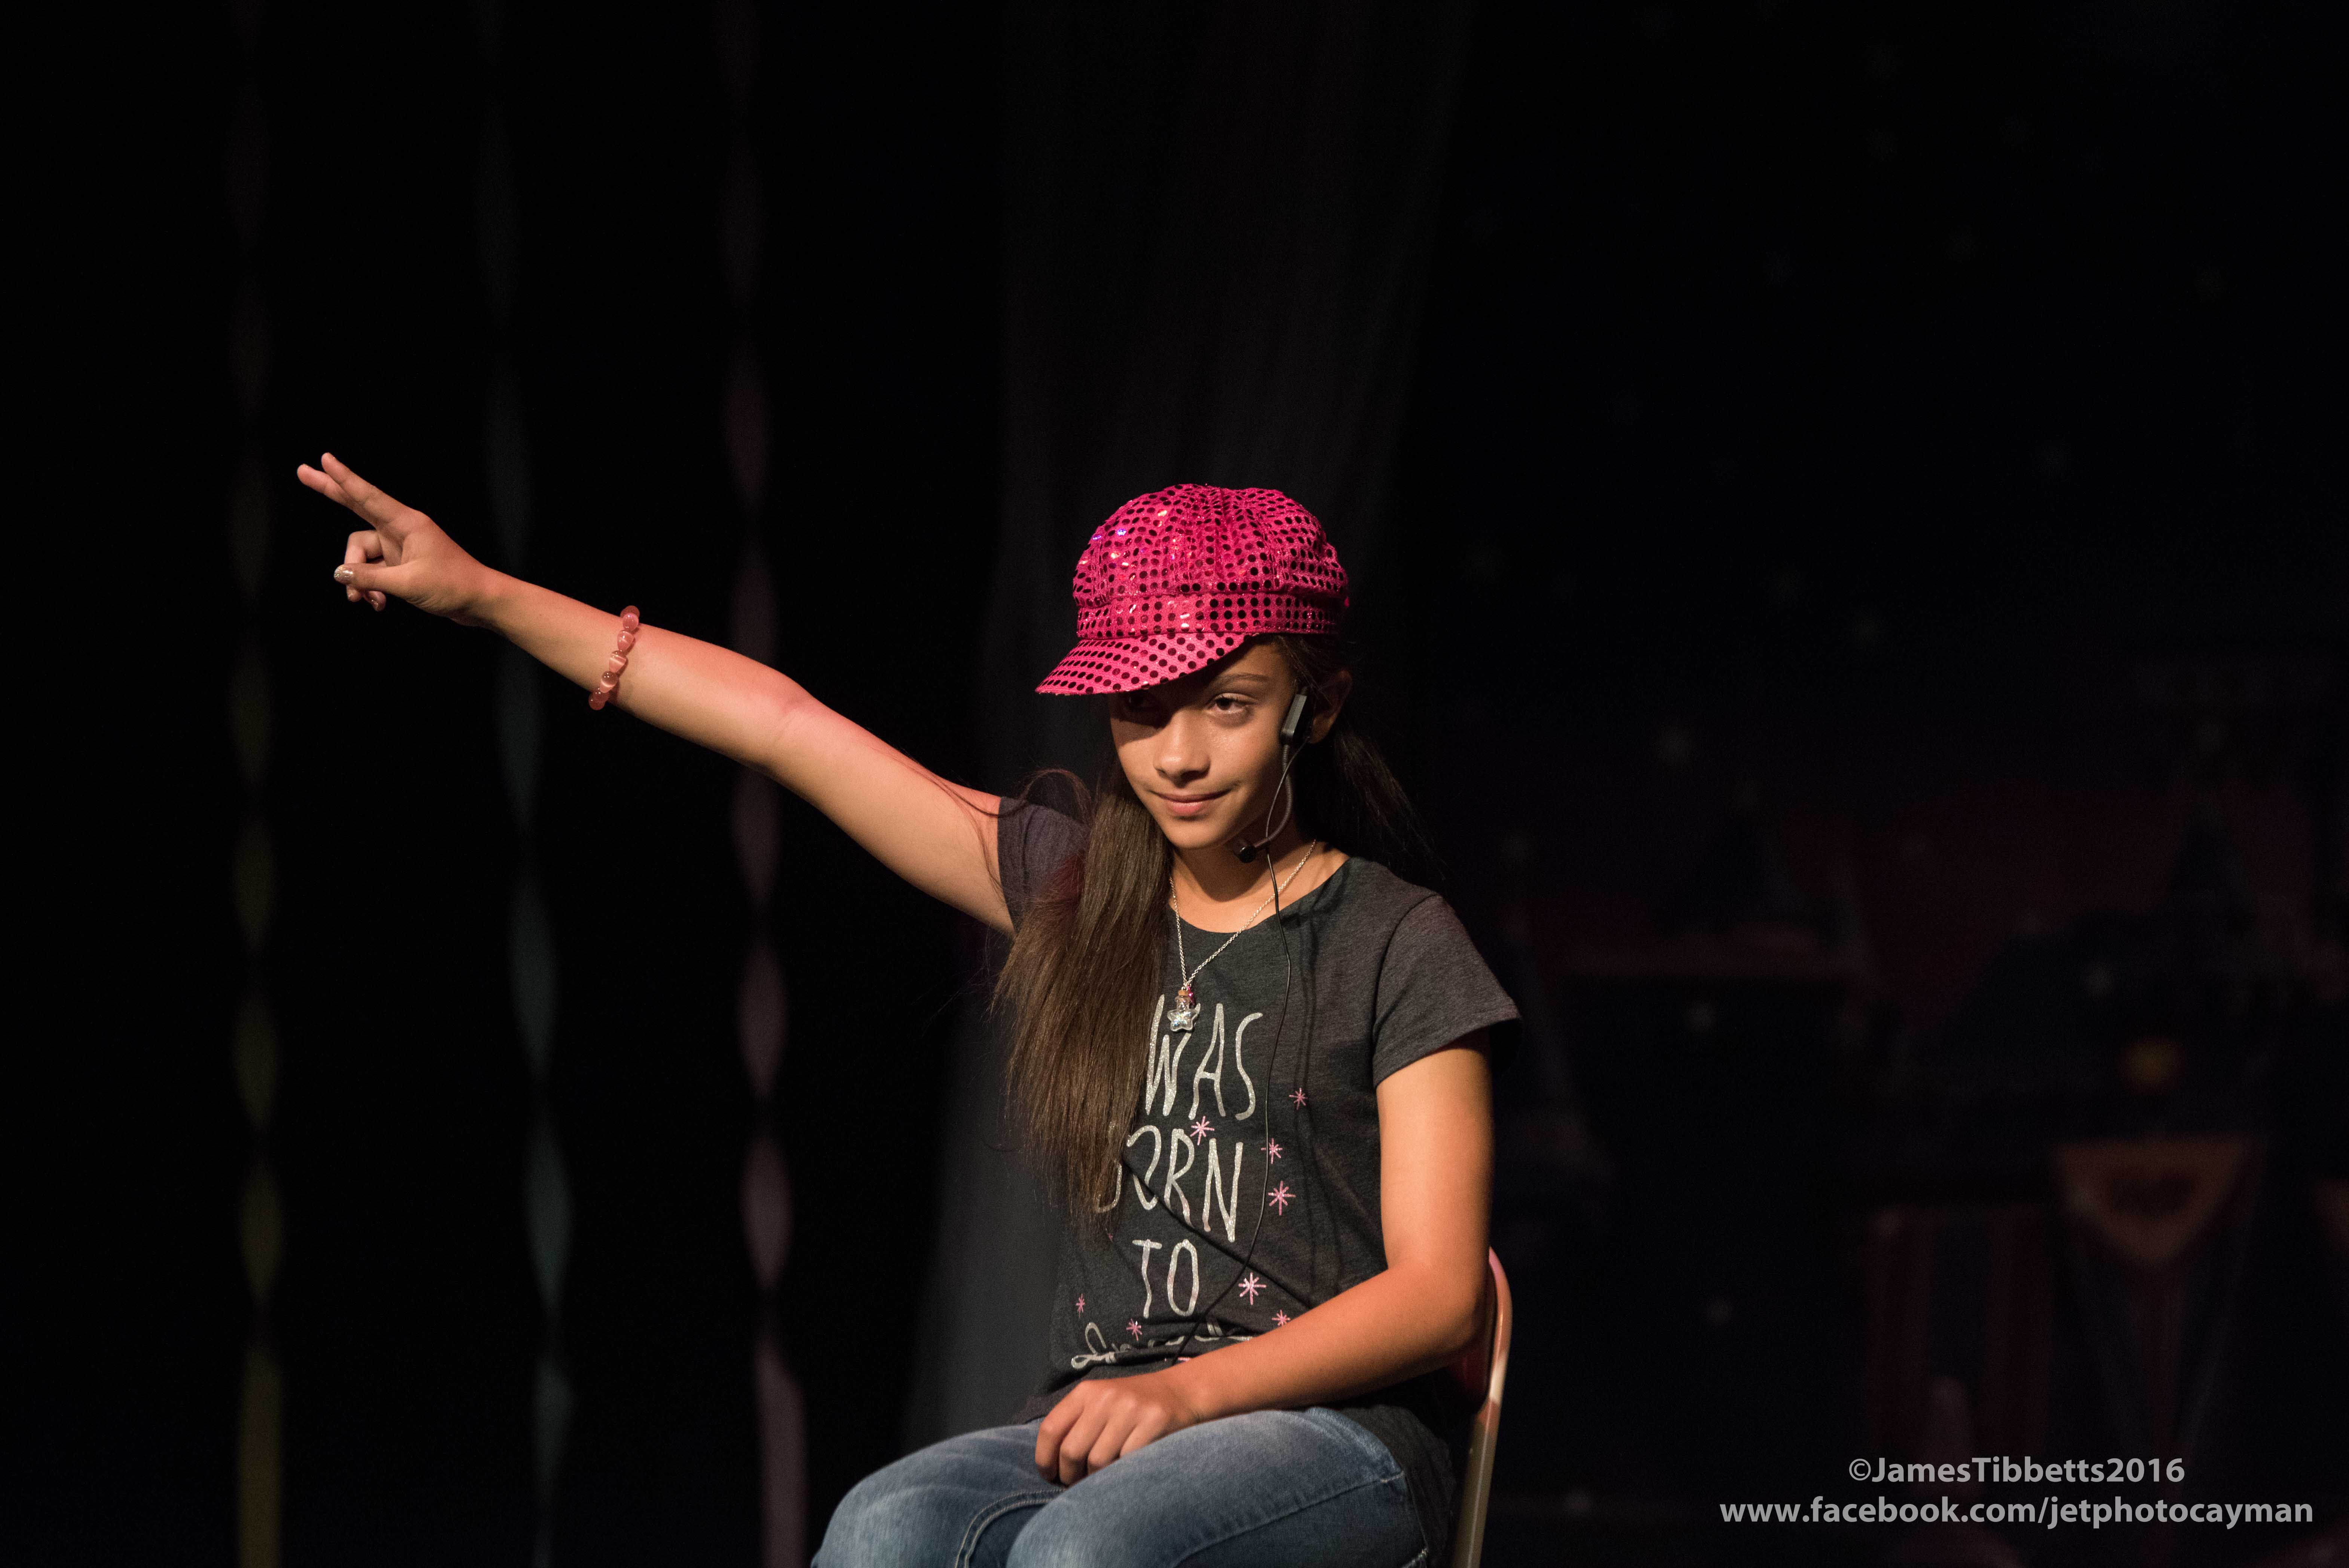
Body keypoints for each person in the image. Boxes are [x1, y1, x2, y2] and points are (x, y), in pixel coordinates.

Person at [308, 457, 1517, 1568]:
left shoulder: (1395, 940)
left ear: (1317, 705)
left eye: (1229, 705)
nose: (1178, 755)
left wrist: (1192, 1392)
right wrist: (485, 596)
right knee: (883, 1527)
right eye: (1142, 709)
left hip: (1333, 1436)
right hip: (1111, 1425)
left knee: (1083, 1556)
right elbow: (787, 726)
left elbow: (1441, 1291)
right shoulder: (1076, 893)